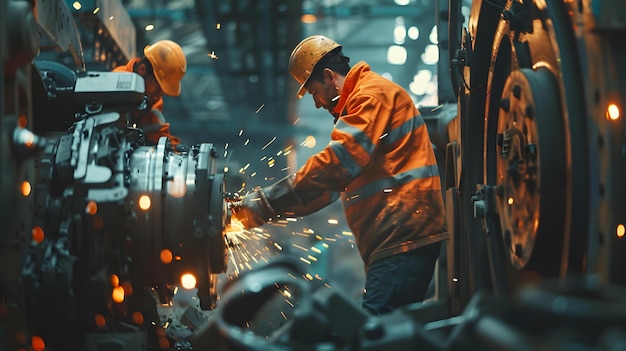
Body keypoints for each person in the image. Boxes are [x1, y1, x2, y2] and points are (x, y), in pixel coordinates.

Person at [231, 35, 447, 315]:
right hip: (397, 238)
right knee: (387, 331)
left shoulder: (370, 96)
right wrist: (265, 211)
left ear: (329, 76)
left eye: (314, 93)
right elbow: (327, 188)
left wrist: (262, 204)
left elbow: (336, 164)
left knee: (373, 334)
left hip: (403, 236)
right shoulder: (366, 98)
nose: (319, 104)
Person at [113, 39, 186, 146]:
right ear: (142, 70)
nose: (159, 94)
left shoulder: (152, 100)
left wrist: (175, 149)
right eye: (158, 86)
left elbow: (157, 132)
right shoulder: (116, 84)